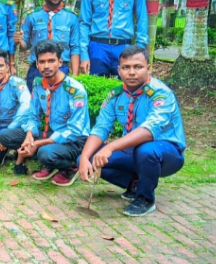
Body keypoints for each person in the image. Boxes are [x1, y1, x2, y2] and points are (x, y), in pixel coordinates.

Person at [78, 46, 186, 216]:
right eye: (126, 67)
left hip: (166, 153)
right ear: (119, 70)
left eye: (138, 67)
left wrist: (110, 147)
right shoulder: (116, 95)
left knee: (146, 150)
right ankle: (135, 184)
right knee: (90, 158)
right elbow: (101, 128)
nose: (132, 72)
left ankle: (145, 199)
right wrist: (84, 158)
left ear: (148, 68)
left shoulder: (160, 94)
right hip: (131, 151)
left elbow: (148, 131)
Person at [15, 40, 90, 186]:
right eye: (42, 62)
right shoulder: (38, 84)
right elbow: (33, 115)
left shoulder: (75, 90)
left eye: (51, 61)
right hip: (52, 132)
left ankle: (71, 166)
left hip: (75, 140)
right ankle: (50, 160)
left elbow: (75, 131)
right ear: (37, 64)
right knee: (9, 137)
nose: (46, 66)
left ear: (60, 62)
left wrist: (39, 143)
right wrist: (29, 135)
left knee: (44, 152)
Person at [16, 0, 82, 91]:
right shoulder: (33, 16)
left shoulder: (71, 18)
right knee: (35, 99)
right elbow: (24, 45)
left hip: (61, 68)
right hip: (38, 68)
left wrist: (75, 75)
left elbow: (75, 47)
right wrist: (18, 40)